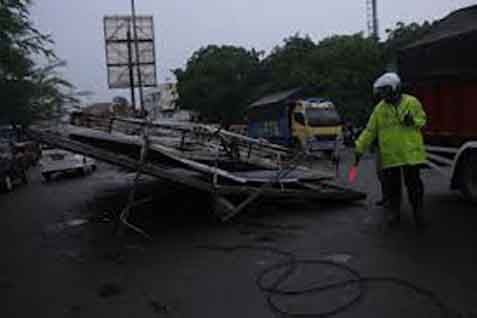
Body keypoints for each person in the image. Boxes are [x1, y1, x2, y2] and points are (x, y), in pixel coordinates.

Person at [354, 72, 427, 229]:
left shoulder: (412, 102)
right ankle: (394, 213)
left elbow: (423, 120)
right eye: (380, 91)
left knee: (414, 186)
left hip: (410, 154)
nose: (381, 94)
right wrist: (359, 148)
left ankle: (418, 212)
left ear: (394, 88)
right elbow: (369, 131)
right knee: (392, 188)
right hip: (391, 156)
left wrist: (413, 121)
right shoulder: (379, 109)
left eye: (384, 90)